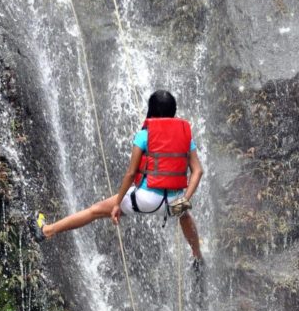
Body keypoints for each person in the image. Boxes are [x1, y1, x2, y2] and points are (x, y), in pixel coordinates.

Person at [30, 90, 204, 263]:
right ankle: (197, 256)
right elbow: (198, 171)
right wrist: (184, 200)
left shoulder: (144, 135)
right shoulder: (186, 138)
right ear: (173, 112)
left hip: (143, 200)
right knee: (185, 216)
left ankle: (47, 230)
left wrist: (117, 204)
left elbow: (131, 173)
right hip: (172, 205)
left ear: (151, 110)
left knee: (94, 211)